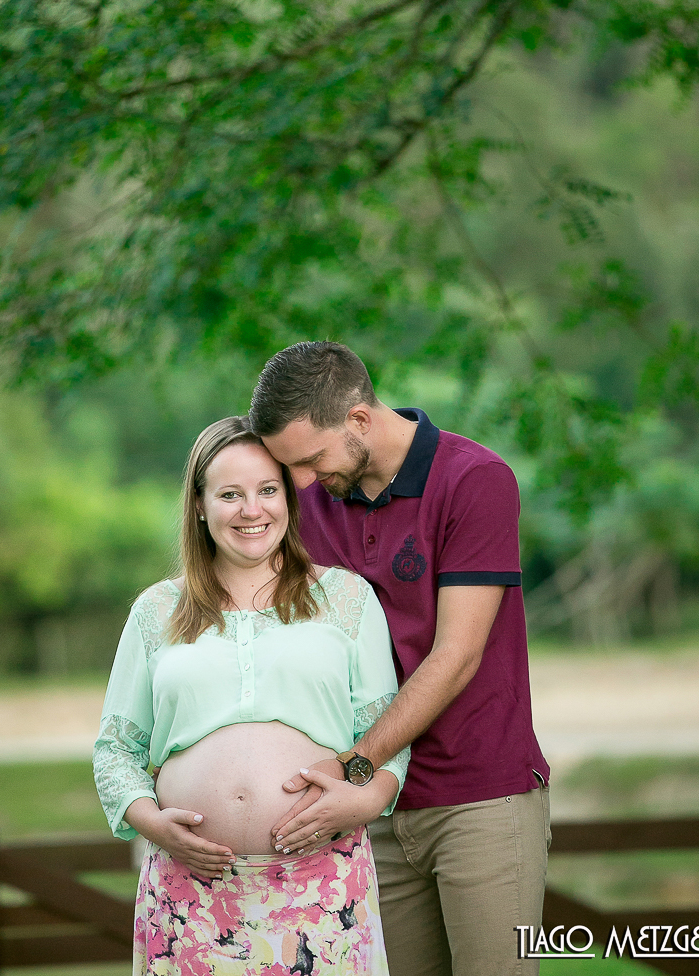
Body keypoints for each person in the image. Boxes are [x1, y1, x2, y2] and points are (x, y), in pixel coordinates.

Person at [248, 342, 551, 976]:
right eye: (289, 466)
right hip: (372, 813)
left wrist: (355, 766)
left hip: (478, 798)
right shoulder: (313, 498)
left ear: (358, 418)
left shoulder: (474, 479)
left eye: (310, 459)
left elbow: (456, 655)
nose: (300, 483)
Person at [93, 415, 409, 976]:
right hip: (189, 894)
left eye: (267, 490)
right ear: (199, 504)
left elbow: (388, 734)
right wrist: (152, 825)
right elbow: (116, 749)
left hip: (321, 887)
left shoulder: (346, 597)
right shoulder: (155, 611)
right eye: (230, 494)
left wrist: (364, 803)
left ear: (288, 498)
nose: (251, 509)